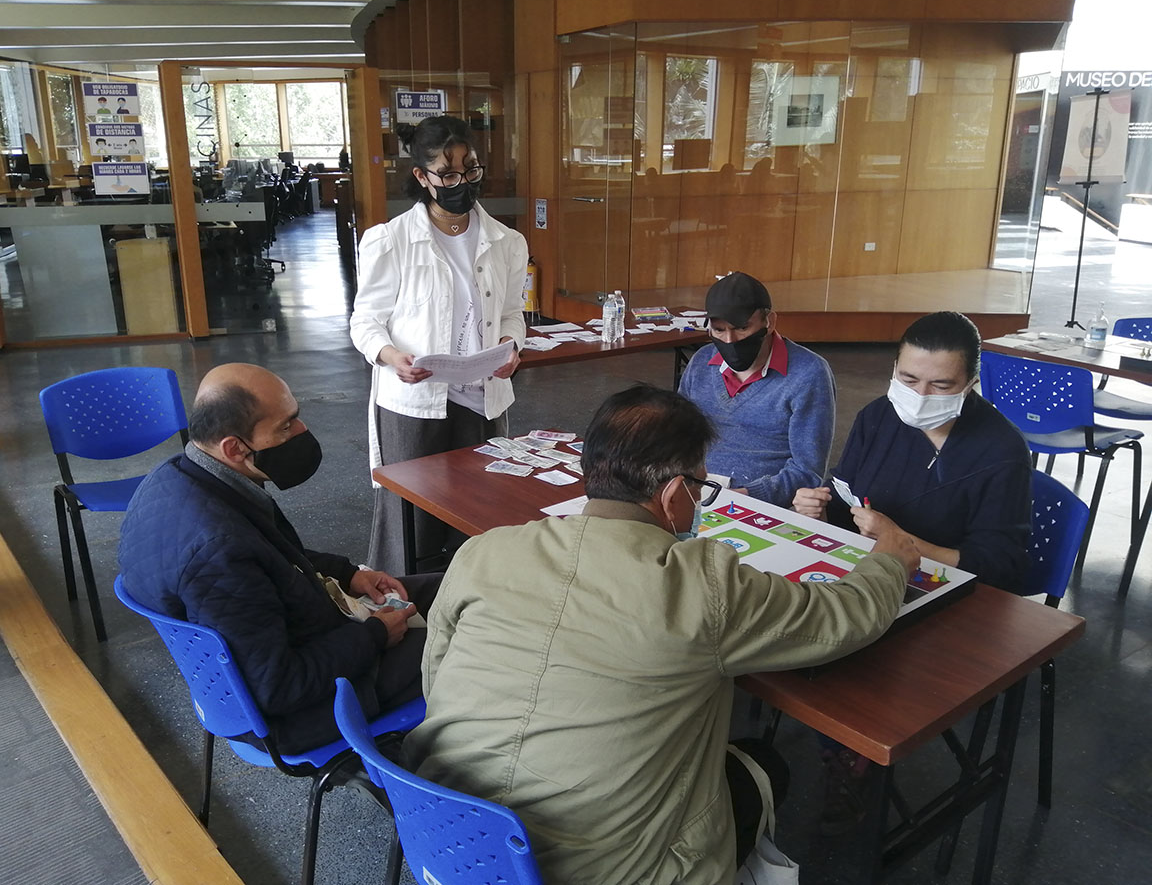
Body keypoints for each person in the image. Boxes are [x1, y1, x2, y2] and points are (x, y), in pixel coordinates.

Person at [406, 385, 918, 885]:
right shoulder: (701, 584)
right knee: (761, 766)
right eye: (702, 488)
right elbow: (842, 618)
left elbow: (437, 673)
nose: (700, 502)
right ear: (675, 495)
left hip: (448, 836)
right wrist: (891, 560)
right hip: (606, 868)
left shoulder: (484, 551)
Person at [118, 363, 440, 754]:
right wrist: (373, 635)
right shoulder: (219, 553)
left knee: (449, 586)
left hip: (295, 635)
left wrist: (349, 573)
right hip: (306, 709)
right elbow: (277, 686)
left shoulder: (179, 476)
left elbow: (270, 557)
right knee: (468, 635)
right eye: (286, 427)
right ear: (235, 448)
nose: (302, 432)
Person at [792, 310, 1032, 832]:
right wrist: (815, 507)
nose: (920, 395)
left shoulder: (1000, 450)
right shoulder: (880, 417)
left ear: (970, 382)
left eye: (940, 384)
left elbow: (1003, 566)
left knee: (840, 657)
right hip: (873, 575)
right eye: (908, 378)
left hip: (955, 603)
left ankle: (848, 756)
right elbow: (848, 500)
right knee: (799, 626)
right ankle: (839, 745)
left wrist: (906, 544)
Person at [350, 114, 528, 573]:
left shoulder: (507, 242)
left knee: (480, 503)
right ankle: (403, 596)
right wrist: (391, 357)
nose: (461, 182)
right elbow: (366, 321)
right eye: (447, 174)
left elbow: (511, 312)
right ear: (421, 177)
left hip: (480, 393)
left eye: (469, 170)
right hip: (413, 396)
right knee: (411, 509)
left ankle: (474, 595)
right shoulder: (390, 241)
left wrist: (510, 345)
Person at [678, 271, 835, 507]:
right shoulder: (701, 362)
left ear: (769, 322)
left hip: (760, 501)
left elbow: (808, 470)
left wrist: (746, 496)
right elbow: (674, 436)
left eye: (741, 328)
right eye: (719, 330)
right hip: (695, 489)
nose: (729, 341)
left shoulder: (809, 373)